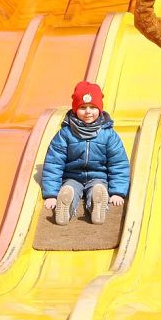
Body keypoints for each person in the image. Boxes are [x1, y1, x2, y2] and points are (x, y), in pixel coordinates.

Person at [41, 81, 129, 225]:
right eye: (82, 107)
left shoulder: (108, 135)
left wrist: (118, 192)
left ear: (100, 109)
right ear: (75, 110)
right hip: (72, 177)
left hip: (98, 177)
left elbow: (118, 163)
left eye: (93, 107)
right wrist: (51, 194)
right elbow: (53, 164)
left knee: (97, 189)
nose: (88, 111)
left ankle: (96, 204)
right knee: (70, 190)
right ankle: (66, 207)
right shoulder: (65, 134)